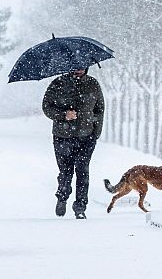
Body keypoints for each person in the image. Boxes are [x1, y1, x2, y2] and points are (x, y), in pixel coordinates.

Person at [42, 67, 104, 219]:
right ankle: (62, 197)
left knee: (83, 171)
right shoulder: (58, 83)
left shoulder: (93, 84)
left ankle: (80, 207)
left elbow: (99, 110)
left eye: (82, 66)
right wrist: (63, 115)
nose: (79, 69)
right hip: (63, 136)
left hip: (86, 136)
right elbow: (46, 107)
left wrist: (95, 134)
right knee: (66, 171)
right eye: (76, 66)